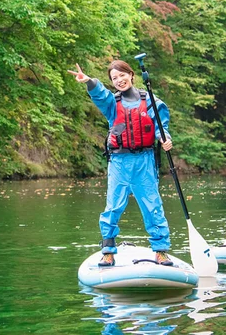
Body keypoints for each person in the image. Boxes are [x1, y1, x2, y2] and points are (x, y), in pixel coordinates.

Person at [68, 60, 174, 267]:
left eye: (122, 75)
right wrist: (89, 81)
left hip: (144, 160)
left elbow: (161, 125)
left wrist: (164, 138)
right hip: (119, 161)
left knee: (152, 206)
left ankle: (161, 250)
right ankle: (108, 250)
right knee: (113, 206)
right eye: (114, 78)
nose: (119, 80)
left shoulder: (151, 100)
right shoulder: (112, 104)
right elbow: (99, 94)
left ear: (131, 75)